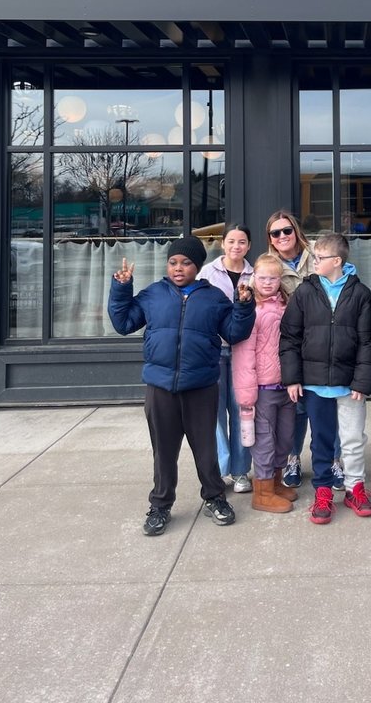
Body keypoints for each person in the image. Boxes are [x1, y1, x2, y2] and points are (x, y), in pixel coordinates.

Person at [108, 236, 255, 536]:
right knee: (163, 451)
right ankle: (160, 504)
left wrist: (243, 305)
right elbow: (123, 323)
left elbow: (234, 332)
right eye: (173, 262)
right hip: (160, 387)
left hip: (200, 386)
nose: (178, 268)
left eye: (186, 263)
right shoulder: (153, 294)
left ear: (197, 267)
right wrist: (122, 288)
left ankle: (215, 497)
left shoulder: (214, 298)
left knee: (206, 449)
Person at [281, 232, 371, 524]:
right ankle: (322, 490)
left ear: (336, 261)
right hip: (314, 382)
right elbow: (290, 337)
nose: (314, 261)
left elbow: (367, 341)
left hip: (349, 384)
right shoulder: (304, 292)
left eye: (319, 257)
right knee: (321, 440)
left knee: (353, 439)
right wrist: (292, 378)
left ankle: (355, 488)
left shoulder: (360, 294)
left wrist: (362, 380)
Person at [231, 253, 296, 514]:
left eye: (273, 278)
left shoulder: (286, 305)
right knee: (264, 441)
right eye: (262, 278)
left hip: (286, 385)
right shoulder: (251, 309)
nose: (268, 283)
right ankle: (263, 492)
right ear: (253, 278)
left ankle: (276, 482)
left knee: (285, 437)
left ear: (281, 279)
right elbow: (243, 355)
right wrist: (247, 395)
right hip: (262, 389)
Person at [265, 210, 322, 489]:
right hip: (291, 344)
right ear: (270, 238)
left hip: (324, 341)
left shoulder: (318, 254)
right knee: (296, 408)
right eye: (275, 233)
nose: (282, 236)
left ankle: (331, 460)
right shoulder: (268, 265)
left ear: (296, 231)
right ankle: (293, 458)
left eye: (286, 230)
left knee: (325, 406)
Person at [199, 223, 255, 494]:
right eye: (231, 241)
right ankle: (221, 470)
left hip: (245, 351)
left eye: (242, 242)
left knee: (243, 411)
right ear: (222, 243)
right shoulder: (207, 273)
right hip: (214, 351)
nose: (236, 246)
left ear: (249, 246)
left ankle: (241, 471)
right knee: (216, 414)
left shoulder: (255, 274)